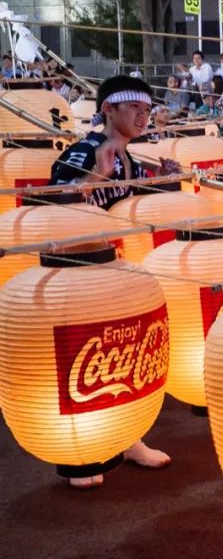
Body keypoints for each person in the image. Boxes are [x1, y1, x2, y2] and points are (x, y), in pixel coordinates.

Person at [48, 75, 176, 489]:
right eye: (134, 107)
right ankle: (85, 449)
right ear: (108, 109)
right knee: (86, 360)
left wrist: (164, 184)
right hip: (77, 276)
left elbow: (127, 211)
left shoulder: (134, 161)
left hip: (116, 268)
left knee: (124, 355)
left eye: (147, 108)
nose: (144, 115)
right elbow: (54, 210)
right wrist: (96, 177)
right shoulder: (82, 152)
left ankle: (127, 436)